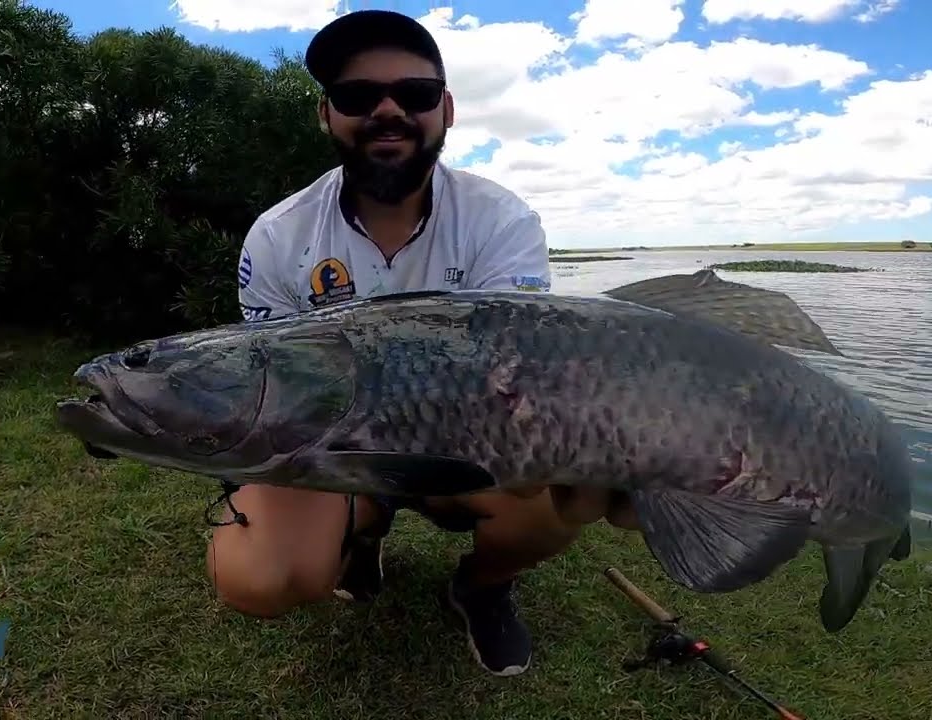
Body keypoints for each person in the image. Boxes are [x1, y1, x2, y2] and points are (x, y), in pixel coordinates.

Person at [205, 9, 636, 677]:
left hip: (467, 453)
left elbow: (518, 378)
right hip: (337, 459)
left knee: (553, 501)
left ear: (447, 109)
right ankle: (362, 534)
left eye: (414, 94)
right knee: (255, 574)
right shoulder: (277, 234)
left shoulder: (502, 220)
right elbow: (279, 400)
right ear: (326, 113)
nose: (387, 110)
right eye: (357, 96)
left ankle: (483, 586)